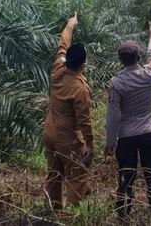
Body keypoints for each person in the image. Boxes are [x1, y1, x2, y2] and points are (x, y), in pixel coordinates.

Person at [104, 23, 151, 218]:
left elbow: (113, 116)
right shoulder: (149, 75)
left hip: (127, 137)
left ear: (120, 60)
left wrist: (110, 143)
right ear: (138, 57)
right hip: (149, 133)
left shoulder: (116, 83)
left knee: (126, 177)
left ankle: (123, 214)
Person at [43, 12, 94, 210]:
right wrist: (89, 145)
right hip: (68, 139)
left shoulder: (58, 68)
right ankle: (72, 217)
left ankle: (51, 211)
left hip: (49, 132)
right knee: (77, 175)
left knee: (54, 174)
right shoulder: (79, 89)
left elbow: (62, 44)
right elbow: (84, 121)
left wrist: (70, 24)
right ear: (83, 65)